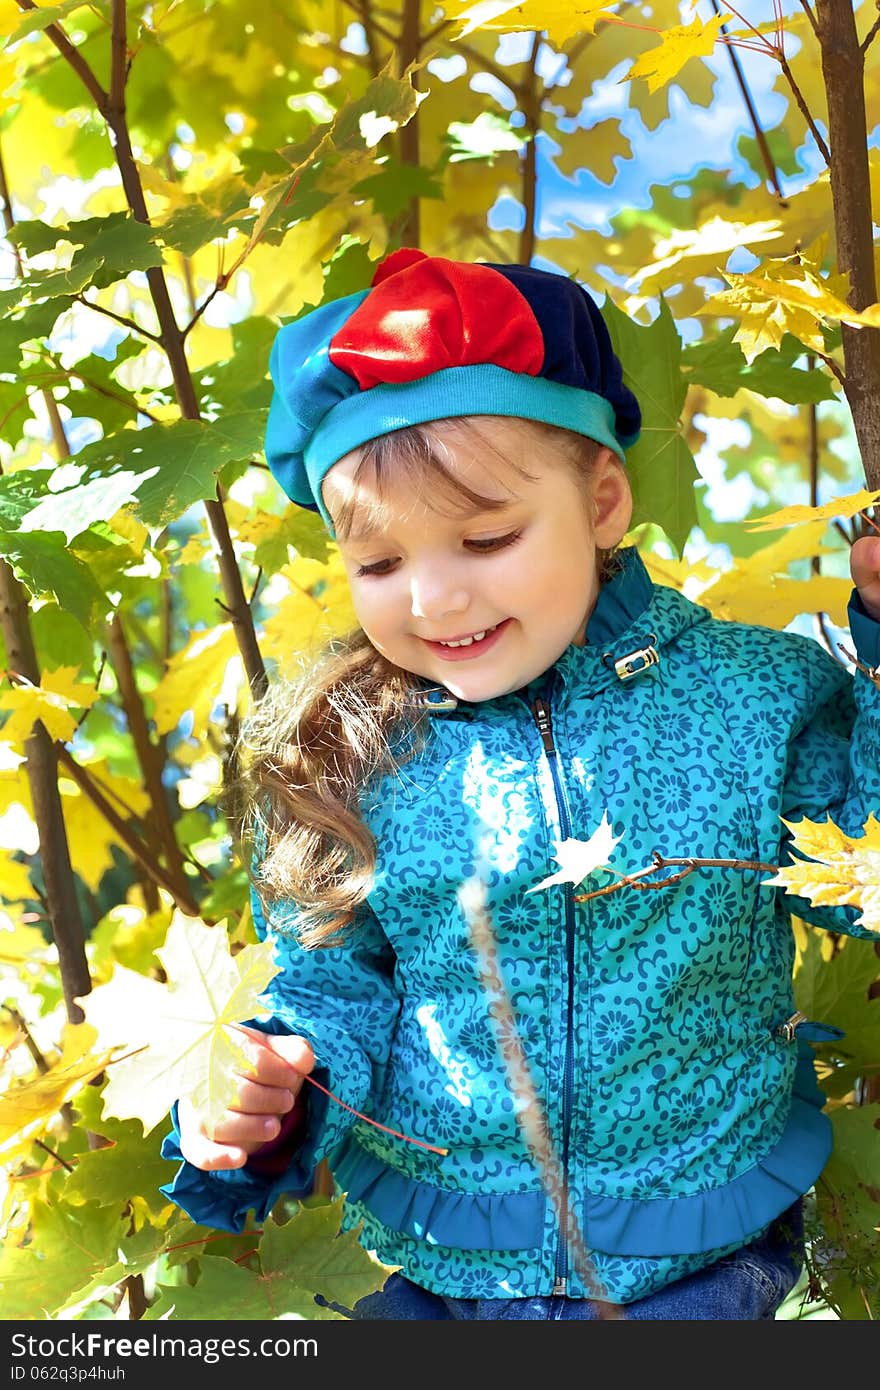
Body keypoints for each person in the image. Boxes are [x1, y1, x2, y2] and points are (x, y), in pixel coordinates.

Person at [160, 248, 880, 1320]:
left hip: (700, 1256)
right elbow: (337, 981)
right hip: (446, 1264)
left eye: (487, 536)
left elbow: (859, 868)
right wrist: (277, 1078)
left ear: (600, 499)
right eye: (380, 565)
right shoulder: (353, 751)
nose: (436, 595)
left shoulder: (754, 697)